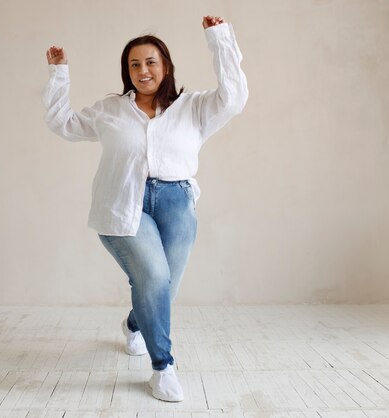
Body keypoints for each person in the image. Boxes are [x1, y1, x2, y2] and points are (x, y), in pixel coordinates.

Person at [43, 15, 248, 402]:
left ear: (166, 66)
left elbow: (234, 97)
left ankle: (135, 323)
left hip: (177, 204)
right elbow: (63, 124)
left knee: (162, 289)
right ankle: (163, 367)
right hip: (123, 205)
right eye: (134, 64)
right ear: (127, 71)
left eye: (150, 62)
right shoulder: (111, 110)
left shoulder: (195, 107)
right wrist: (59, 74)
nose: (143, 70)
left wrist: (219, 39)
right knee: (154, 278)